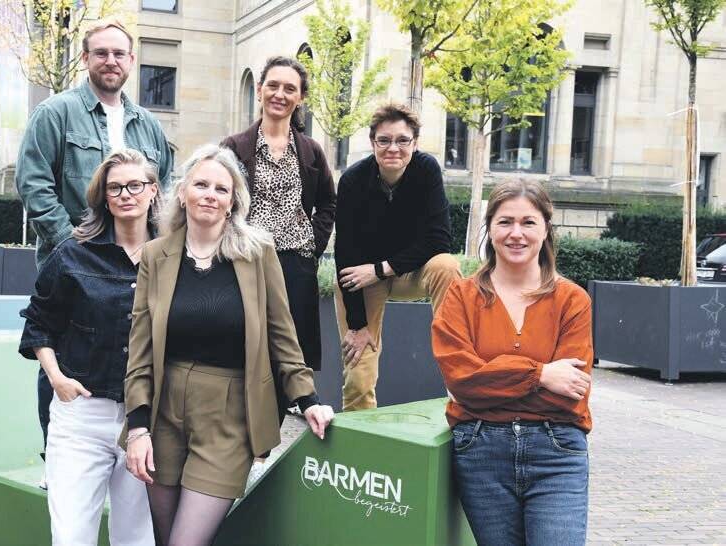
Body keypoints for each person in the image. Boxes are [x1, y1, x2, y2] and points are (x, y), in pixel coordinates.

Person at [122, 144, 334, 546]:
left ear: (233, 199)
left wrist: (308, 399)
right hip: (162, 413)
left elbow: (281, 335)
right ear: (182, 193)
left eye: (221, 188)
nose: (210, 194)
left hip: (228, 413)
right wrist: (137, 429)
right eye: (201, 184)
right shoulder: (155, 255)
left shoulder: (257, 252)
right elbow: (140, 350)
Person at [15, 19, 173, 462]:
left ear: (131, 61)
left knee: (129, 349)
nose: (110, 61)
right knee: (66, 352)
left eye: (119, 54)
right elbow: (34, 184)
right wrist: (75, 246)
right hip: (76, 263)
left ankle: (127, 449)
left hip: (139, 258)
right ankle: (57, 454)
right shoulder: (55, 113)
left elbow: (164, 187)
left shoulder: (148, 125)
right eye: (101, 53)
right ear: (85, 59)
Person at [432, 180, 593, 546]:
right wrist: (542, 374)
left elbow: (570, 393)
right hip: (481, 453)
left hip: (557, 454)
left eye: (528, 222)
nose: (515, 234)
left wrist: (493, 384)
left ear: (546, 229)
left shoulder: (572, 300)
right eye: (505, 222)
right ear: (489, 228)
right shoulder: (461, 296)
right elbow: (461, 381)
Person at [18, 150, 160, 546]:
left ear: (152, 191)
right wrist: (57, 378)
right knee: (72, 536)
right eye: (115, 187)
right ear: (103, 197)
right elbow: (38, 322)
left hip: (146, 420)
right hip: (82, 415)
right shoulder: (73, 253)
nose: (125, 194)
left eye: (135, 185)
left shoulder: (172, 258)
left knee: (137, 538)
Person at [334, 103, 461, 411]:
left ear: (414, 144)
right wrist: (357, 325)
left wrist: (381, 269)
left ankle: (458, 351)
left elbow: (440, 239)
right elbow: (345, 255)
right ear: (372, 142)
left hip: (407, 273)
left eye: (402, 140)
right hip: (364, 281)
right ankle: (360, 436)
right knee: (358, 373)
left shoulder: (426, 170)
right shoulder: (352, 181)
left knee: (447, 265)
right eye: (384, 140)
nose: (393, 148)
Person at [221, 56, 336, 380]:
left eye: (290, 88)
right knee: (242, 349)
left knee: (291, 356)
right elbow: (220, 199)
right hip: (246, 260)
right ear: (259, 90)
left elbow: (328, 202)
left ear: (300, 97)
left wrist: (313, 242)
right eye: (273, 85)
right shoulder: (234, 147)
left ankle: (280, 421)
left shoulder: (310, 150)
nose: (279, 94)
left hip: (295, 264)